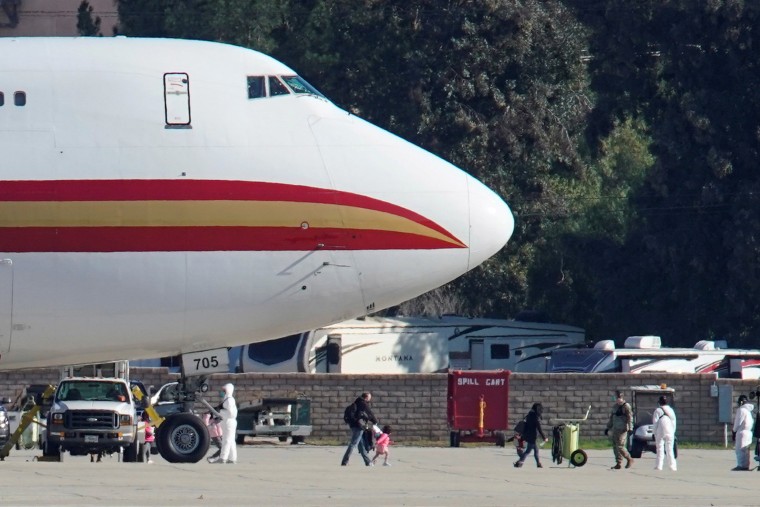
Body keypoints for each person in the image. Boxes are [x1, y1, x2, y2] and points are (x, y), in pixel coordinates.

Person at [341, 392, 377, 466]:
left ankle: (368, 462)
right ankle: (345, 461)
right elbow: (370, 413)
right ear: (366, 397)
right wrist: (375, 421)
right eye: (369, 397)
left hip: (353, 425)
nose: (370, 399)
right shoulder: (363, 404)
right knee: (353, 444)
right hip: (359, 426)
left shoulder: (356, 402)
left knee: (361, 445)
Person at [605, 390, 634, 470]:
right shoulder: (615, 407)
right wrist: (608, 427)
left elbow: (630, 417)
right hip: (615, 429)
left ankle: (629, 459)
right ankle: (618, 463)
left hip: (622, 429)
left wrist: (630, 427)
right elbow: (612, 418)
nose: (617, 399)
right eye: (616, 397)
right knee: (615, 447)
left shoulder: (626, 406)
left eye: (618, 397)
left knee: (620, 446)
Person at [513, 402, 548, 468]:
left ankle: (538, 463)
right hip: (533, 436)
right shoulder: (535, 417)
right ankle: (520, 462)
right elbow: (539, 428)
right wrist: (544, 437)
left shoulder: (529, 415)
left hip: (528, 435)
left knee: (536, 450)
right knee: (528, 451)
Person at [210, 383, 237, 464]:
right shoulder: (227, 399)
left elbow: (231, 413)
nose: (223, 392)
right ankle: (232, 458)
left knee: (226, 440)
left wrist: (220, 412)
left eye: (224, 390)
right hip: (226, 421)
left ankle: (223, 458)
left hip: (229, 421)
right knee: (231, 440)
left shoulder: (229, 400)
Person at [652, 395, 677, 471]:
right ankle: (672, 466)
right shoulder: (671, 410)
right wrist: (673, 432)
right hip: (670, 432)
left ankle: (659, 466)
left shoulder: (657, 410)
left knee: (660, 449)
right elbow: (674, 422)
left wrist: (654, 433)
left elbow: (655, 423)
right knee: (670, 449)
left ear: (659, 402)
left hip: (660, 432)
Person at [732, 394, 754, 471]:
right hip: (748, 432)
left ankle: (741, 465)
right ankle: (746, 465)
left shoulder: (741, 410)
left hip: (742, 432)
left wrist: (734, 431)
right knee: (746, 450)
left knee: (740, 449)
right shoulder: (748, 411)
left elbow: (738, 422)